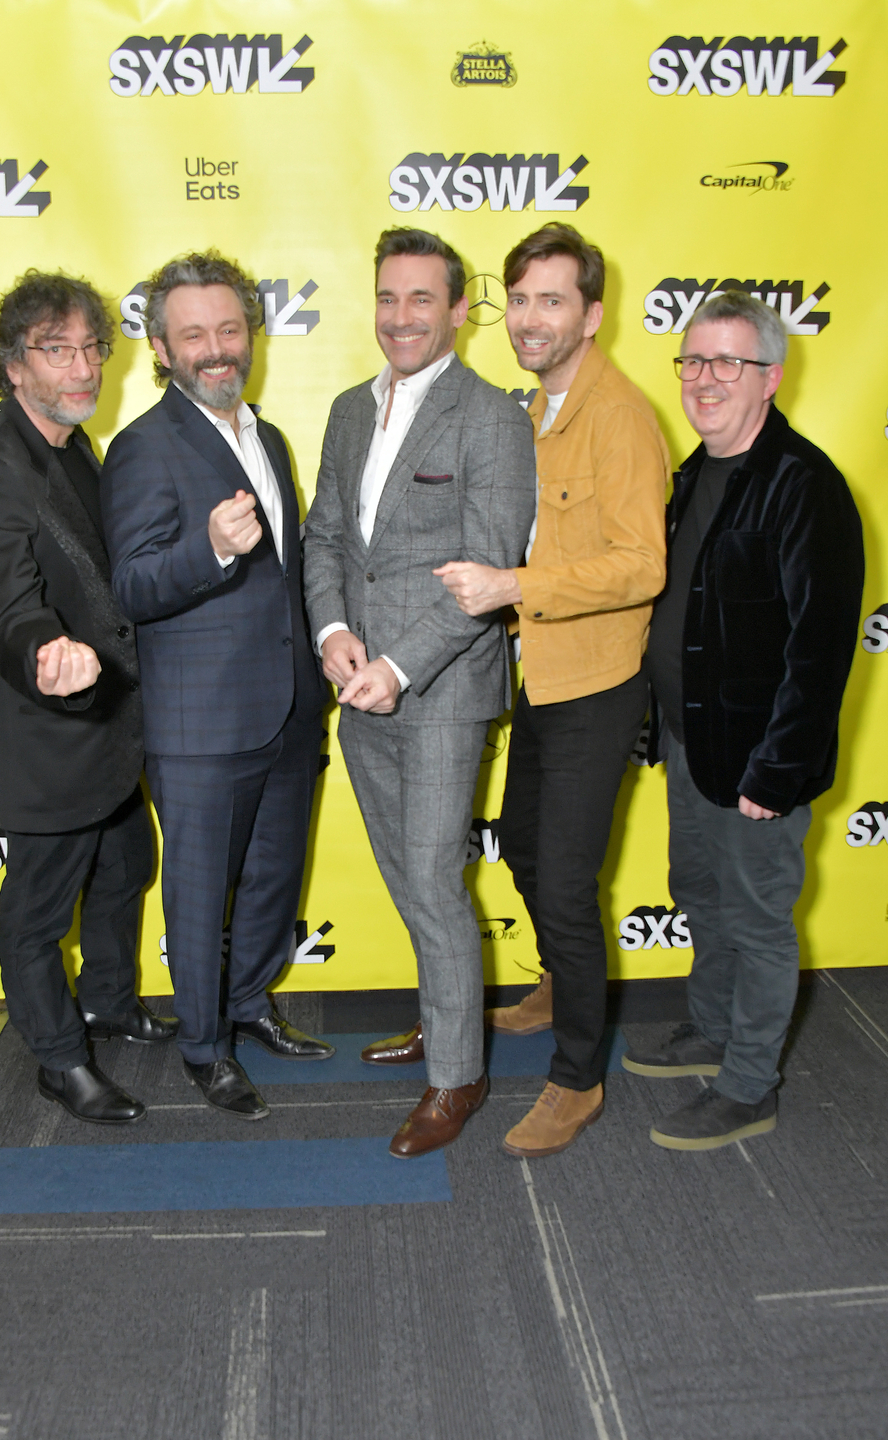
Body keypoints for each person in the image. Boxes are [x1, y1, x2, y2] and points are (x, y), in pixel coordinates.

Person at [436, 222, 669, 1157]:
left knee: (567, 884)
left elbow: (640, 565)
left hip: (598, 681)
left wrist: (512, 588)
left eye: (552, 301)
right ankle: (560, 990)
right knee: (527, 851)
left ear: (592, 313)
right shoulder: (532, 407)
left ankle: (578, 1078)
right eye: (521, 300)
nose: (530, 320)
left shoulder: (618, 414)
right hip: (541, 675)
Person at [304, 227, 536, 1157]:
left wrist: (397, 668)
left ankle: (457, 1078)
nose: (401, 318)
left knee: (435, 879)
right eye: (388, 299)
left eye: (420, 301)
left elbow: (490, 570)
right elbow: (325, 537)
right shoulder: (347, 410)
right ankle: (450, 1025)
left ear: (456, 310)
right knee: (406, 875)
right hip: (354, 683)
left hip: (438, 687)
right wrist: (332, 635)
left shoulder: (492, 418)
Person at [623, 290, 864, 1149]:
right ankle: (714, 1028)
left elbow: (821, 648)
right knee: (702, 891)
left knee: (758, 916)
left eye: (728, 362)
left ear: (771, 376)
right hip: (693, 745)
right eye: (693, 361)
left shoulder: (806, 486)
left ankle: (749, 1084)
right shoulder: (694, 474)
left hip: (759, 759)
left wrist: (779, 769)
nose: (704, 379)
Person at [101, 250, 331, 1120]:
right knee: (199, 892)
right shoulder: (142, 448)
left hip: (286, 708)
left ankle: (248, 1006)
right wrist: (210, 549)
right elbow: (132, 585)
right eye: (193, 334)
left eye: (228, 328)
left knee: (273, 878)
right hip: (198, 723)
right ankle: (204, 1045)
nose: (215, 347)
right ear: (160, 349)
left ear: (250, 334)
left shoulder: (264, 435)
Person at [0, 270, 174, 1126]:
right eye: (57, 350)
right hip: (48, 726)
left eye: (91, 347)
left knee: (126, 866)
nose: (83, 367)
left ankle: (108, 1001)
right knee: (37, 913)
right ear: (13, 366)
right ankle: (56, 1059)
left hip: (109, 722)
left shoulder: (73, 444)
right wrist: (47, 652)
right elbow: (9, 607)